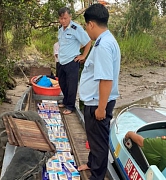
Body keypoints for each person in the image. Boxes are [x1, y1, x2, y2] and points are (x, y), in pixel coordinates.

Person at [78, 4, 121, 180]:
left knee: (99, 144)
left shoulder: (103, 45)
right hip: (95, 101)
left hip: (98, 103)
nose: (87, 30)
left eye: (86, 26)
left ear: (91, 24)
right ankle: (91, 163)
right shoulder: (105, 41)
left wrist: (101, 108)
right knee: (94, 139)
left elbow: (106, 79)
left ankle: (96, 176)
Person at [57, 7, 91, 115]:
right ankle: (65, 101)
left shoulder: (76, 28)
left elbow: (88, 42)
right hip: (61, 61)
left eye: (65, 18)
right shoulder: (60, 29)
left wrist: (83, 56)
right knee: (62, 83)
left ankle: (70, 106)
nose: (63, 21)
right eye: (61, 19)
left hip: (72, 61)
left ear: (70, 17)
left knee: (71, 85)